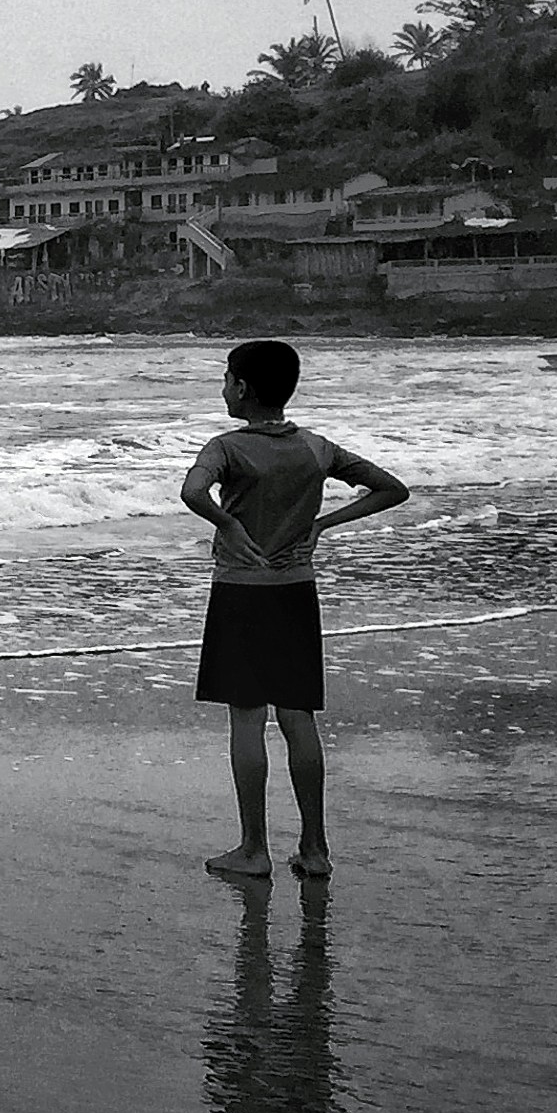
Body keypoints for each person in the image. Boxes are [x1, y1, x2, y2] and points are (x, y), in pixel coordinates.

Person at [182, 340, 408, 880]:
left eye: (227, 378)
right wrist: (324, 524)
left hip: (241, 590)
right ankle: (315, 847)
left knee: (247, 718)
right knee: (297, 717)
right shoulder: (316, 447)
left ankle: (254, 848)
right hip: (296, 590)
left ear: (243, 388)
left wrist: (229, 524)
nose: (223, 387)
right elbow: (391, 489)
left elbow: (193, 492)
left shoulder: (227, 448)